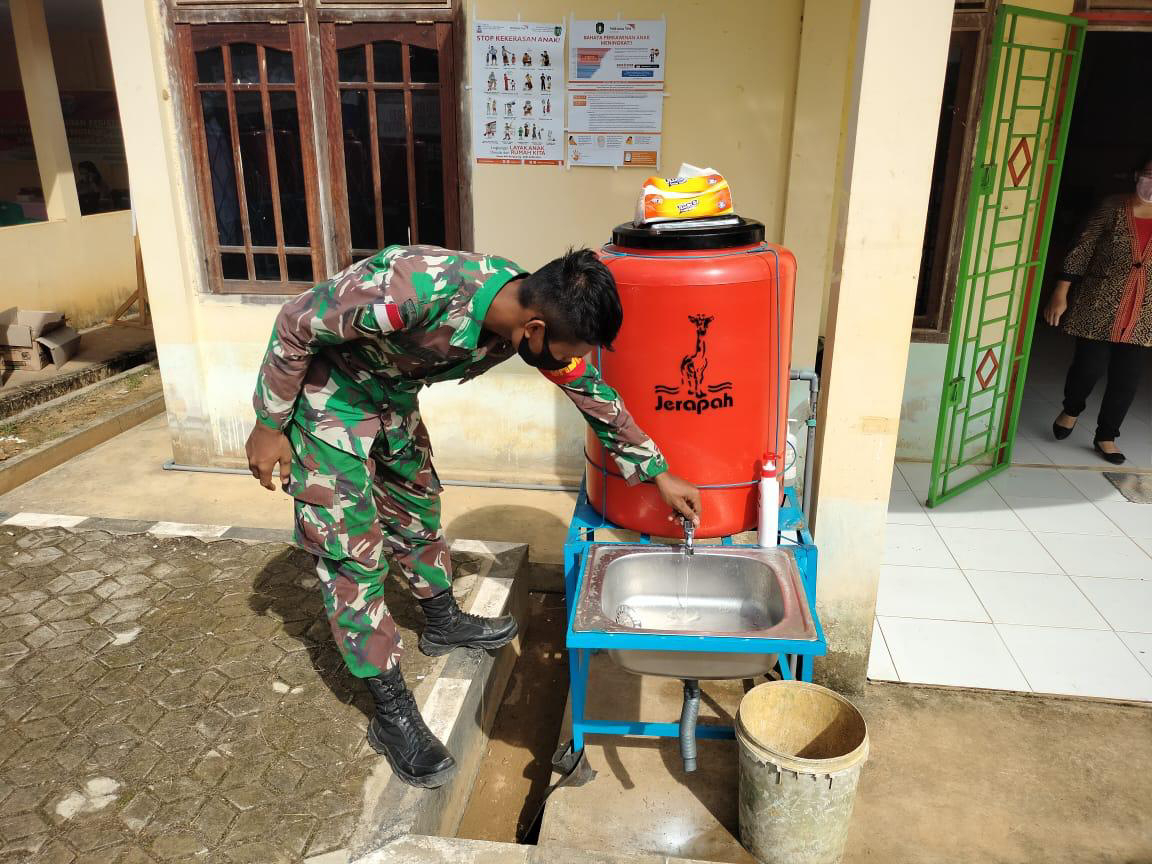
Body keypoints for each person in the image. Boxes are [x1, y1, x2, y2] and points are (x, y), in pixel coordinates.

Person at [246, 247, 701, 788]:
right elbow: (297, 322)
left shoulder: (523, 313)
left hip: (391, 397)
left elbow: (587, 388)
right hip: (330, 397)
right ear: (533, 329)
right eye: (563, 349)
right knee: (355, 555)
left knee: (417, 507)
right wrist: (270, 424)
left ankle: (441, 620)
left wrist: (656, 471)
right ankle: (391, 711)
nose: (564, 361)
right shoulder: (415, 289)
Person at [1044, 155, 1152, 465]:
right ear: (1136, 174)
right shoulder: (1112, 206)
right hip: (1097, 303)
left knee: (1126, 379)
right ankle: (1072, 408)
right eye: (1149, 173)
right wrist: (1060, 292)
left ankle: (1106, 435)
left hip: (1143, 314)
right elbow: (1082, 249)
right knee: (1087, 367)